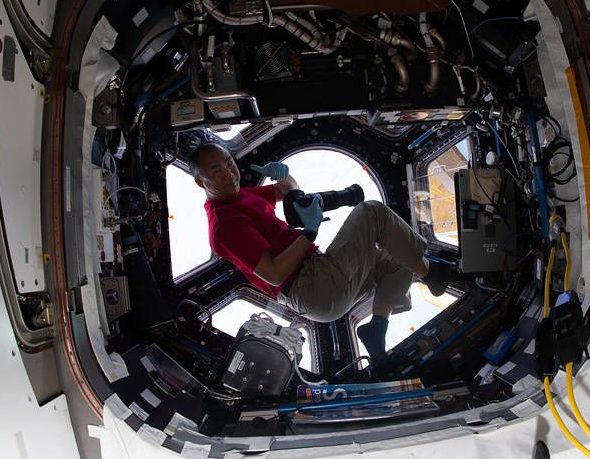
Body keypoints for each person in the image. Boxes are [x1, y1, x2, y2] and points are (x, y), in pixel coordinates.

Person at [190, 142, 447, 361]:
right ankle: (431, 274)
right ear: (202, 181)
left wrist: (283, 176)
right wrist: (309, 231)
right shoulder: (224, 225)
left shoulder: (244, 196)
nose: (229, 171)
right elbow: (274, 274)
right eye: (216, 170)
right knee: (372, 212)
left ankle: (377, 327)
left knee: (398, 256)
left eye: (228, 161)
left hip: (323, 284)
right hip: (308, 287)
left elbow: (286, 189)